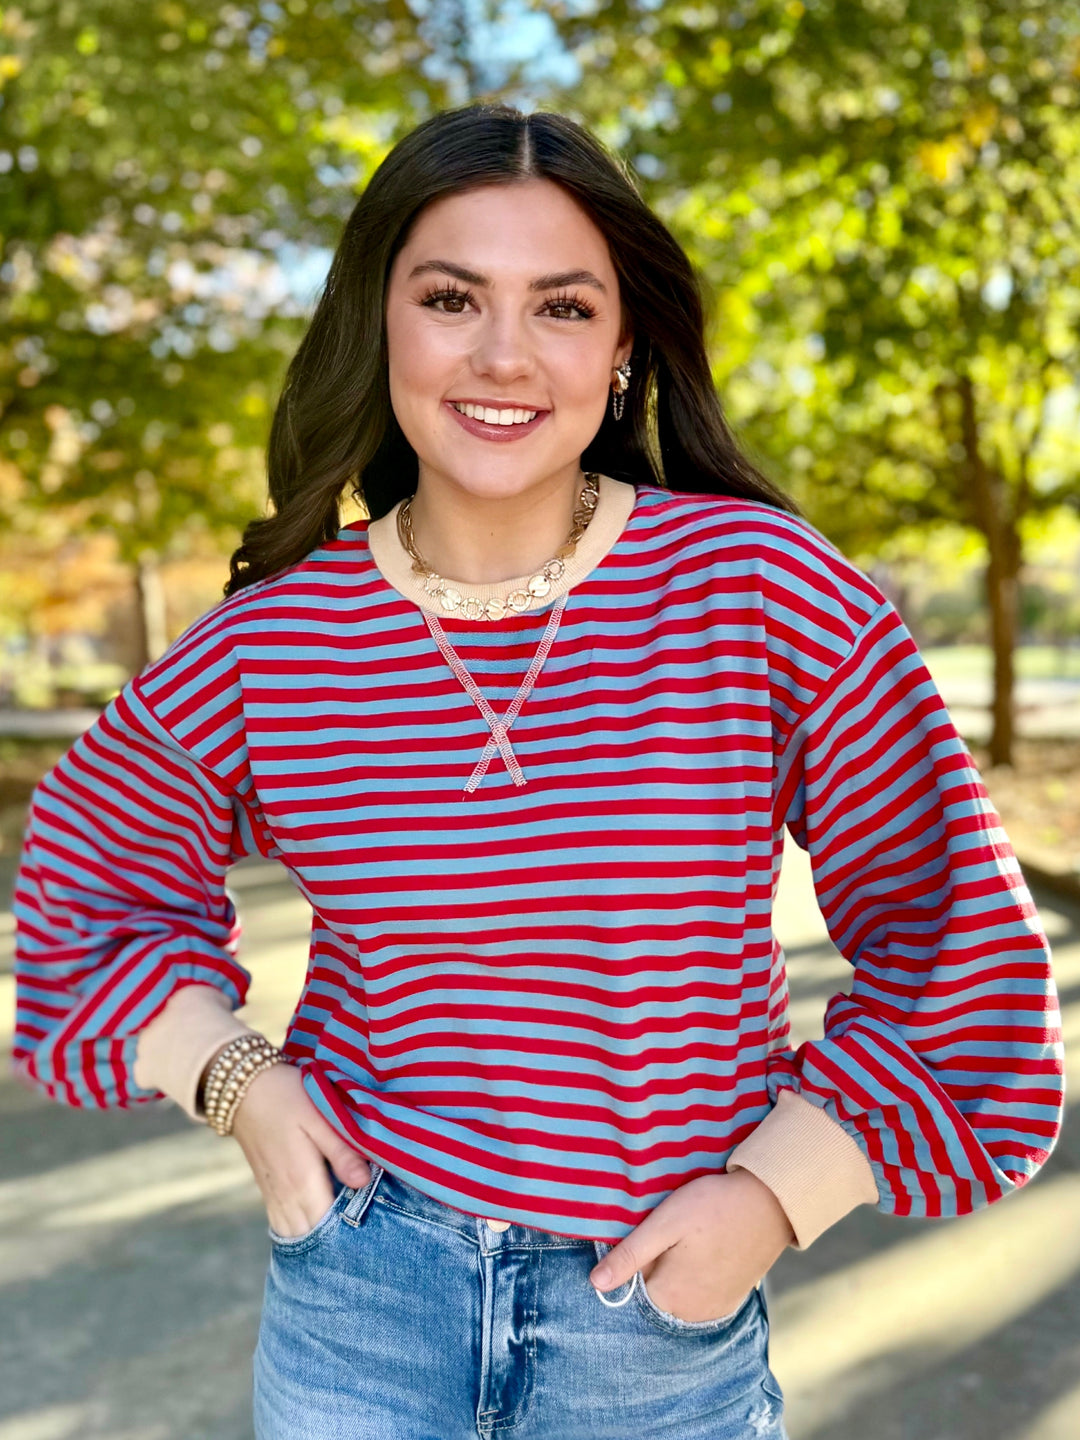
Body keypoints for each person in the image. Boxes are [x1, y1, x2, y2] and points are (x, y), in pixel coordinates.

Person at [12, 103, 1064, 1440]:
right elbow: (81, 886)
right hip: (358, 1309)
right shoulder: (276, 637)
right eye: (452, 297)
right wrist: (240, 1085)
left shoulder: (762, 592)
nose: (502, 353)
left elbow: (959, 949)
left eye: (562, 308)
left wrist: (775, 1199)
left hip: (653, 1331)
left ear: (623, 347)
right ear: (379, 320)